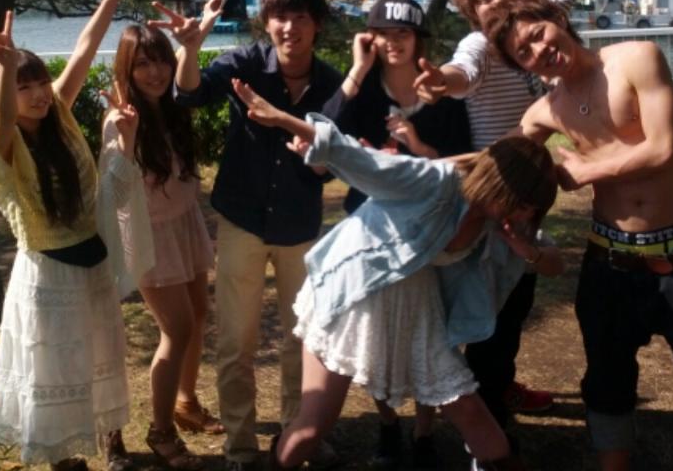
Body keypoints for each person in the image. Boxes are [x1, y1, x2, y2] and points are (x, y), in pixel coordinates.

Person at [228, 80, 558, 471]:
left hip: (416, 309)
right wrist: (283, 119)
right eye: (523, 204)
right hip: (354, 297)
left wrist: (529, 250)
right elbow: (358, 159)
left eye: (532, 209)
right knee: (313, 426)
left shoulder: (501, 226)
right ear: (501, 185)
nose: (524, 215)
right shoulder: (437, 182)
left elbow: (554, 263)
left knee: (469, 409)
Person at [484, 0, 673, 471]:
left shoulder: (636, 58)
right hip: (609, 260)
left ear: (557, 19)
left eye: (538, 34)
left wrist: (587, 171)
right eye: (523, 52)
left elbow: (664, 148)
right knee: (606, 381)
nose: (538, 50)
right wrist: (421, 158)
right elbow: (498, 161)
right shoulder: (547, 110)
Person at [167, 0, 345, 471]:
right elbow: (190, 94)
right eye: (280, 17)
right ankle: (240, 445)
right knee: (235, 341)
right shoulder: (245, 64)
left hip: (299, 225)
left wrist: (321, 159)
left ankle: (296, 434)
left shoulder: (332, 85)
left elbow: (340, 156)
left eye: (300, 18)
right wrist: (189, 49)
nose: (290, 28)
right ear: (266, 23)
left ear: (317, 25)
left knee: (302, 338)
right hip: (242, 220)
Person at [414, 0, 582, 428]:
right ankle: (483, 414)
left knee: (515, 300)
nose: (496, 3)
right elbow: (462, 75)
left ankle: (496, 387)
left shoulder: (535, 28)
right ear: (472, 11)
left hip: (529, 190)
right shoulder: (481, 46)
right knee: (488, 306)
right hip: (492, 192)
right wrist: (440, 82)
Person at [0, 0, 135, 471]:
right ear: (4, 92)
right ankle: (65, 458)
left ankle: (113, 443)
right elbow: (3, 117)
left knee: (102, 354)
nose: (39, 93)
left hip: (92, 261)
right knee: (55, 366)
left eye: (40, 82)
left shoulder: (59, 113)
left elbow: (85, 48)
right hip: (48, 273)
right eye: (24, 87)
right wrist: (6, 68)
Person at [335, 0, 471, 469]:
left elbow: (462, 168)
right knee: (378, 335)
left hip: (429, 233)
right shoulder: (363, 92)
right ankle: (388, 425)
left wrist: (416, 146)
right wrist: (357, 68)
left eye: (403, 33)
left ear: (418, 40)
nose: (393, 42)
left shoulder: (443, 95)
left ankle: (424, 431)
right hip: (371, 230)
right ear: (369, 38)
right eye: (383, 34)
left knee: (430, 333)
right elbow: (327, 131)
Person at [100, 8, 226, 471]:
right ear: (126, 69)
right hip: (149, 234)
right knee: (176, 329)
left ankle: (186, 403)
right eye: (142, 64)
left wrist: (197, 36)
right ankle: (161, 431)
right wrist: (125, 140)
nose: (155, 72)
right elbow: (114, 188)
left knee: (198, 314)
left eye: (160, 61)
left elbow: (184, 64)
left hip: (184, 221)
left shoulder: (171, 104)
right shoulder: (121, 117)